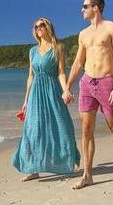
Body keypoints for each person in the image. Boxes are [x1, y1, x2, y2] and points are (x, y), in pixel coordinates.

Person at [63, 0, 113, 189]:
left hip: (107, 82)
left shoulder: (112, 28)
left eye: (85, 6)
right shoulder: (83, 34)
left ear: (96, 8)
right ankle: (87, 175)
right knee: (86, 128)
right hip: (87, 82)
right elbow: (78, 62)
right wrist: (68, 86)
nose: (82, 9)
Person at [12, 18, 80, 181]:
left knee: (61, 125)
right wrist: (25, 100)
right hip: (36, 93)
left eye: (41, 25)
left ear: (48, 27)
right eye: (36, 26)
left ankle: (67, 161)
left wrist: (66, 90)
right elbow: (30, 76)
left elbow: (61, 72)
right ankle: (33, 168)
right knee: (33, 129)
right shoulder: (32, 51)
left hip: (52, 90)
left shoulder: (58, 47)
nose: (38, 28)